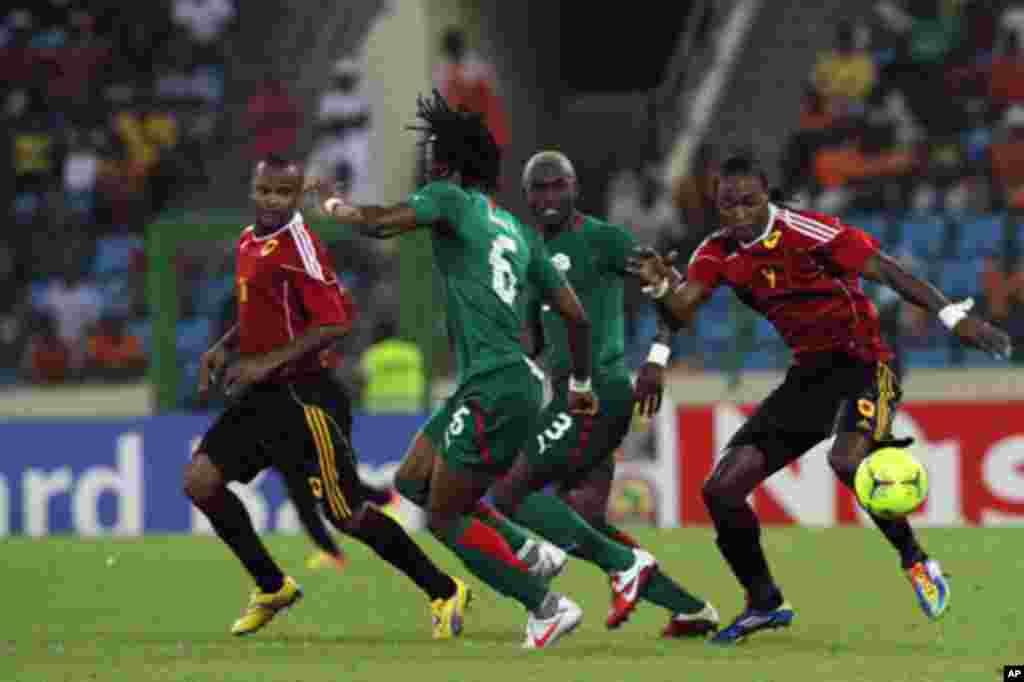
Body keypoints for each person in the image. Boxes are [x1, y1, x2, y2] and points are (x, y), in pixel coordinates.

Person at [315, 91, 653, 649]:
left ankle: (546, 606)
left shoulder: (448, 198)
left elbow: (376, 225)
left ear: (448, 163)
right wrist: (584, 385)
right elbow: (577, 315)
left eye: (430, 154)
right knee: (411, 480)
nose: (424, 163)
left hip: (494, 384)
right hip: (512, 379)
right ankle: (526, 549)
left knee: (445, 520)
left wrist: (332, 205)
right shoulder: (517, 230)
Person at [627, 153, 1012, 644]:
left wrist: (954, 318)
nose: (739, 213)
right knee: (721, 490)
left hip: (868, 364)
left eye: (749, 201)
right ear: (716, 205)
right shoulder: (718, 251)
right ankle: (765, 601)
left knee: (846, 460)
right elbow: (681, 306)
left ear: (768, 194)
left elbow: (888, 271)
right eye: (728, 204)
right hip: (809, 376)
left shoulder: (809, 231)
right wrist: (660, 304)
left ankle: (916, 561)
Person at [184, 155, 469, 639]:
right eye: (266, 190)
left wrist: (265, 363)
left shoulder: (301, 245)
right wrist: (224, 347)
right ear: (253, 191)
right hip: (261, 396)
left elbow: (335, 320)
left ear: (297, 197)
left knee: (345, 513)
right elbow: (261, 311)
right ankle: (272, 585)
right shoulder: (248, 242)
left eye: (284, 193)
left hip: (305, 396)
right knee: (200, 481)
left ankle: (443, 590)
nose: (274, 200)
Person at [480, 150, 719, 637]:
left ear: (573, 188)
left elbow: (673, 296)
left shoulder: (603, 239)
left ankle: (625, 567)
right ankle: (691, 608)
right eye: (539, 189)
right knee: (583, 519)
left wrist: (656, 359)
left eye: (557, 186)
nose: (549, 197)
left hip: (599, 391)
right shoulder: (527, 253)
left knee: (507, 490)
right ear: (526, 196)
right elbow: (536, 339)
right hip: (567, 395)